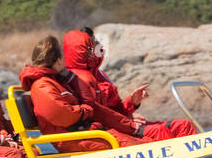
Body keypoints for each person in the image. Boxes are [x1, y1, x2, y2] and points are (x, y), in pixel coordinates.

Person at [19, 35, 149, 153]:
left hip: (83, 132)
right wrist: (85, 109)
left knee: (142, 143)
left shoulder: (56, 82)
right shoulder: (43, 86)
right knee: (135, 146)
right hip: (71, 138)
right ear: (58, 61)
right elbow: (63, 115)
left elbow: (98, 109)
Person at [62, 28, 197, 140]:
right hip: (108, 129)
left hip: (121, 123)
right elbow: (96, 115)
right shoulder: (75, 81)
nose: (99, 48)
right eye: (93, 44)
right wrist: (128, 121)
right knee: (159, 132)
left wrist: (132, 102)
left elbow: (116, 109)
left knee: (183, 125)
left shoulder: (100, 75)